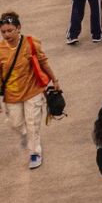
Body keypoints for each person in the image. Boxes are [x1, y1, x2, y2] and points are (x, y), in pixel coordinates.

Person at [0, 10, 60, 169]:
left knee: (32, 123)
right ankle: (29, 135)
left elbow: (43, 62)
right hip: (11, 94)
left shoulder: (31, 43)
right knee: (15, 123)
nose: (6, 34)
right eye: (3, 32)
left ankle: (35, 152)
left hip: (32, 90)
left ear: (18, 28)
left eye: (10, 30)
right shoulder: (0, 50)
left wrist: (54, 79)